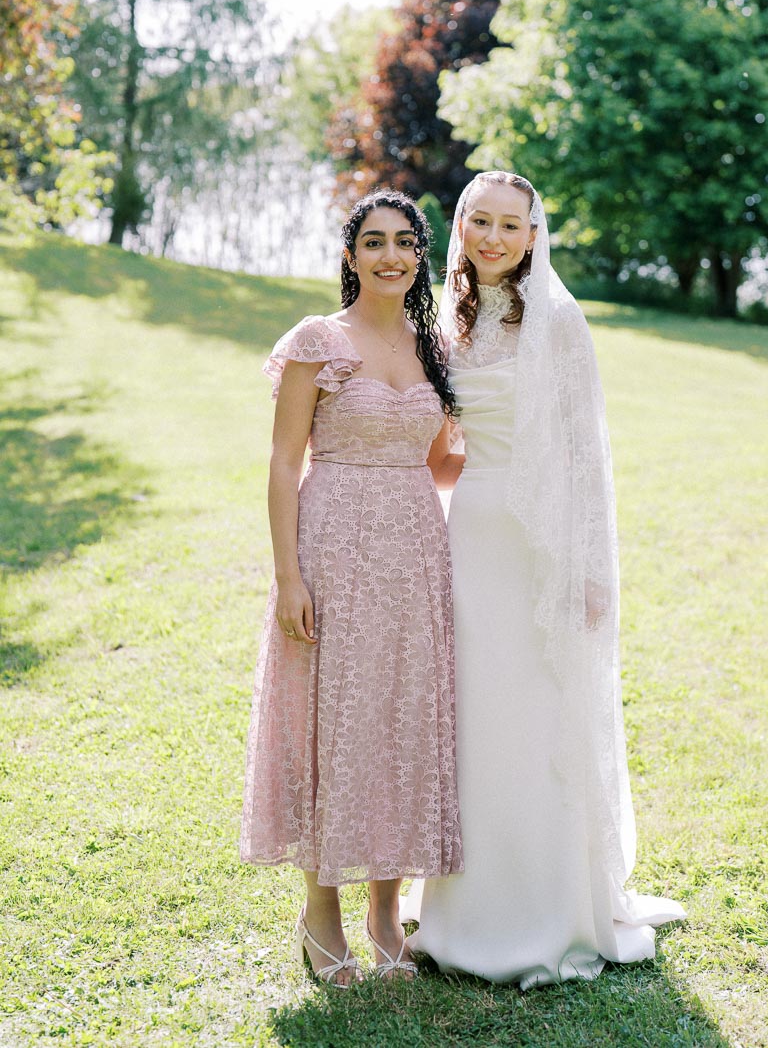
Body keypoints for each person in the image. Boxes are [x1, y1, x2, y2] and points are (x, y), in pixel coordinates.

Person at [405, 171, 684, 987]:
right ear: (459, 227)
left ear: (533, 235)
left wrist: (592, 572)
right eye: (477, 221)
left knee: (536, 711)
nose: (491, 237)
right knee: (476, 715)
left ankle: (549, 908)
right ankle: (466, 904)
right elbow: (448, 448)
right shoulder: (448, 323)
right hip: (471, 538)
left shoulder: (559, 321)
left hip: (543, 545)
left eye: (508, 225)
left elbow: (585, 457)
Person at [240, 191, 462, 985]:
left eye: (406, 244)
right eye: (375, 243)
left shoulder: (436, 344)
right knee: (331, 722)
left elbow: (440, 462)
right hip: (332, 545)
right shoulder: (317, 341)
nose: (391, 257)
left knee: (401, 722)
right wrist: (288, 573)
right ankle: (321, 913)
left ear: (421, 256)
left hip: (414, 551)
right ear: (350, 254)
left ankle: (383, 909)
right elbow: (281, 462)